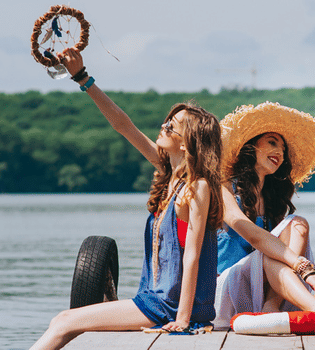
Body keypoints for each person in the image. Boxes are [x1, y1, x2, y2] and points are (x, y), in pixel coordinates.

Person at [30, 48, 225, 350]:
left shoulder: (197, 187)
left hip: (168, 306)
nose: (163, 127)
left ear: (188, 144)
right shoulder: (170, 175)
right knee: (65, 324)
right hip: (154, 299)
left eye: (171, 126)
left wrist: (184, 319)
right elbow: (123, 125)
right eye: (166, 122)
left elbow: (193, 255)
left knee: (63, 321)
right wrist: (82, 78)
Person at [213, 102, 315, 334]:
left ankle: (273, 304)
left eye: (283, 149)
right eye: (272, 142)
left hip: (262, 288)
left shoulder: (272, 200)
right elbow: (254, 237)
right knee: (274, 248)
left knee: (295, 224)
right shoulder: (225, 187)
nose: (279, 152)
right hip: (225, 290)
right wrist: (304, 269)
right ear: (251, 146)